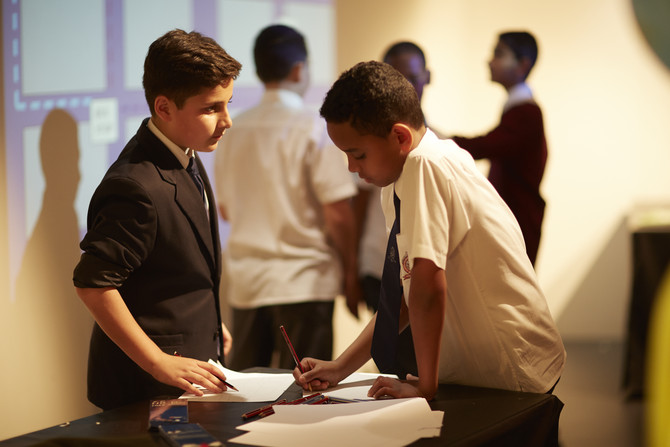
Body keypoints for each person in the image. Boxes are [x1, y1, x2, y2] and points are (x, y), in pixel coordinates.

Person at [293, 61, 566, 401]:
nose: (351, 167)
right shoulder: (409, 172)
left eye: (358, 154)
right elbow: (405, 295)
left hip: (511, 371)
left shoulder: (425, 166)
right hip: (495, 370)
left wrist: (426, 385)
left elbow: (426, 286)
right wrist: (340, 367)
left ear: (400, 137)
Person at [72, 29, 241, 410]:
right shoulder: (134, 185)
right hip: (146, 389)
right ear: (164, 108)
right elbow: (93, 284)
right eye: (211, 108)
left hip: (191, 371)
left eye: (228, 104)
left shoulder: (185, 153)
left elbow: (175, 267)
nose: (227, 120)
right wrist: (157, 361)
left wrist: (211, 323)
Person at [214, 24, 359, 371]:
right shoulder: (311, 126)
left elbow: (225, 209)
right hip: (305, 282)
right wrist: (351, 273)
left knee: (247, 400)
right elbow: (337, 212)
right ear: (299, 69)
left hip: (247, 283)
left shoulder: (232, 131)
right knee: (306, 396)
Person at [452, 31, 547, 266]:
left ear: (522, 64)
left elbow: (486, 145)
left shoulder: (526, 113)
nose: (490, 60)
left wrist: (439, 138)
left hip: (518, 221)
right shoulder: (520, 110)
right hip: (514, 219)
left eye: (499, 54)